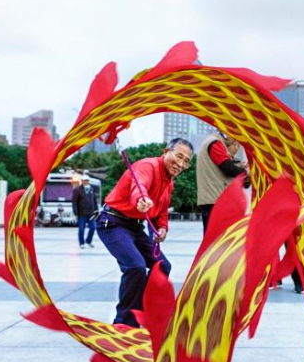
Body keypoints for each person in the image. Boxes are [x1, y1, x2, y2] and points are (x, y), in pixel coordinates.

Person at [96, 138, 194, 327]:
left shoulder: (169, 182)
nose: (181, 164)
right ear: (166, 151)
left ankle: (145, 311)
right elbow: (139, 185)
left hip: (134, 227)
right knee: (136, 267)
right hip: (113, 223)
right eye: (179, 156)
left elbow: (162, 210)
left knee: (162, 266)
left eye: (186, 161)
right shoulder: (148, 166)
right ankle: (124, 323)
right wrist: (141, 199)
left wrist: (162, 228)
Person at [196, 131, 249, 233]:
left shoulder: (213, 142)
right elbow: (227, 168)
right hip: (215, 200)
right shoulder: (215, 142)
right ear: (227, 132)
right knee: (215, 239)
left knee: (214, 239)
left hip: (213, 199)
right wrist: (246, 173)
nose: (235, 145)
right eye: (234, 140)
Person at [72, 173, 99, 249]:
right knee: (81, 229)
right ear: (82, 181)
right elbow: (74, 202)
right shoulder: (77, 190)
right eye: (84, 180)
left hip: (91, 213)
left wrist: (96, 210)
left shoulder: (91, 189)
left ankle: (88, 241)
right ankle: (81, 243)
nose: (86, 182)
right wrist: (75, 212)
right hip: (82, 213)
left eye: (87, 180)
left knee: (93, 228)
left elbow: (94, 200)